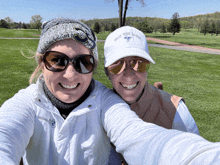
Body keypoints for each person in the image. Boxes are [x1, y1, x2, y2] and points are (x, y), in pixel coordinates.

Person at [1, 18, 220, 165]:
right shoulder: (25, 103)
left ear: (93, 67)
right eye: (57, 61)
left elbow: (143, 139)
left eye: (83, 62)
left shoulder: (108, 103)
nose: (70, 74)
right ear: (41, 63)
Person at [104, 26, 200, 164]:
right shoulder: (96, 109)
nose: (129, 74)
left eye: (139, 63)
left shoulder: (176, 112)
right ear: (107, 73)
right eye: (117, 65)